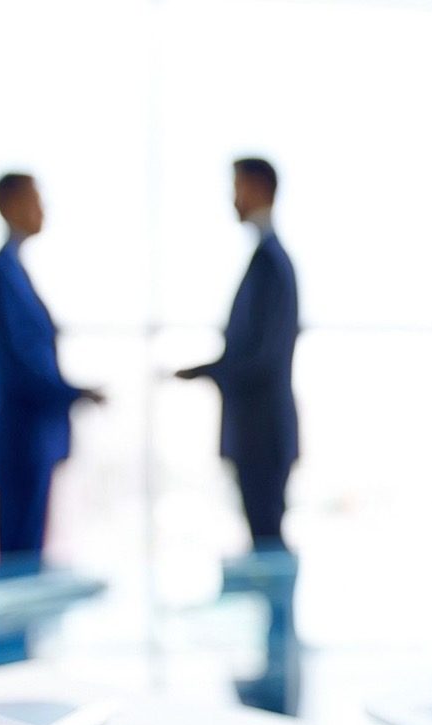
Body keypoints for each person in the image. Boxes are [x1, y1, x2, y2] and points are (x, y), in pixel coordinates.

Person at [0, 172, 104, 574]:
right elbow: (18, 365)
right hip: (20, 437)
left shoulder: (15, 274)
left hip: (35, 437)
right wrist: (73, 393)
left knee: (30, 556)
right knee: (19, 561)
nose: (41, 210)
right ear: (9, 205)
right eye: (34, 200)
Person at [177, 157, 300, 553]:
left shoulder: (271, 264)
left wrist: (208, 370)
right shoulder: (264, 260)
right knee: (262, 537)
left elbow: (263, 357)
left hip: (262, 431)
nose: (233, 199)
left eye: (238, 188)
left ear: (259, 189)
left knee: (267, 540)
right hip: (256, 430)